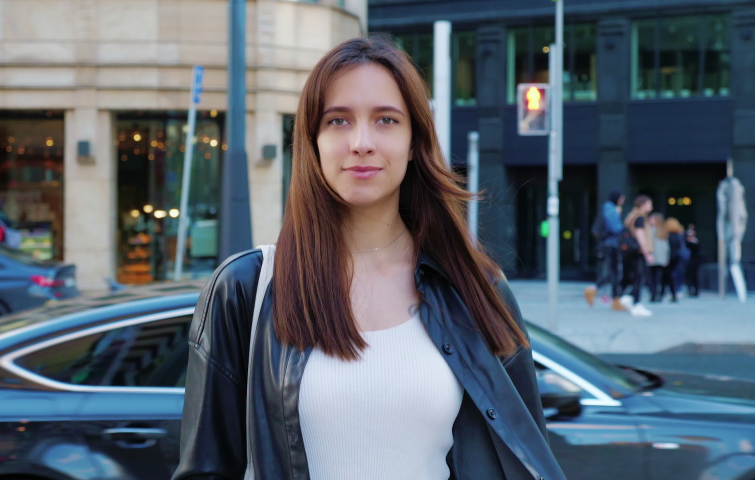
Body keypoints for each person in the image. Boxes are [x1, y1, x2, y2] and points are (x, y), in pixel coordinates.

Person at [173, 36, 564, 480]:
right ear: (312, 142)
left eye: (386, 120)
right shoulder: (247, 289)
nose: (361, 142)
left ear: (414, 140)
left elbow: (521, 457)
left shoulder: (474, 289)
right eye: (338, 121)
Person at [585, 191, 628, 311]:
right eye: (621, 199)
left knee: (613, 272)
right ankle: (594, 289)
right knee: (613, 272)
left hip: (607, 244)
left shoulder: (606, 208)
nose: (622, 202)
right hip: (611, 245)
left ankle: (615, 301)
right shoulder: (611, 210)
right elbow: (616, 228)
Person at [621, 195, 654, 317]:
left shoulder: (631, 216)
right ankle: (636, 302)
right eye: (649, 204)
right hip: (638, 251)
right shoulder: (640, 218)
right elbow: (640, 235)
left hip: (631, 251)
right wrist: (647, 253)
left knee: (635, 276)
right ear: (642, 205)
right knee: (640, 277)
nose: (651, 207)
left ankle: (630, 298)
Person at [647, 213, 673, 303]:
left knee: (651, 278)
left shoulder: (650, 230)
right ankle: (659, 294)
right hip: (661, 258)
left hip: (652, 256)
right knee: (659, 278)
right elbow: (666, 247)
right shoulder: (663, 231)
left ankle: (653, 294)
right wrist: (666, 257)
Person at [665, 217, 686, 301]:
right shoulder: (679, 234)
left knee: (669, 274)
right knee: (678, 273)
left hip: (669, 256)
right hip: (678, 256)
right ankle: (678, 289)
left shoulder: (666, 235)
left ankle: (671, 291)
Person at [685, 224, 701, 297]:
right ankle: (690, 289)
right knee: (688, 277)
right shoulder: (686, 242)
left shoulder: (696, 242)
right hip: (687, 261)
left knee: (695, 276)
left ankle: (696, 291)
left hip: (694, 262)